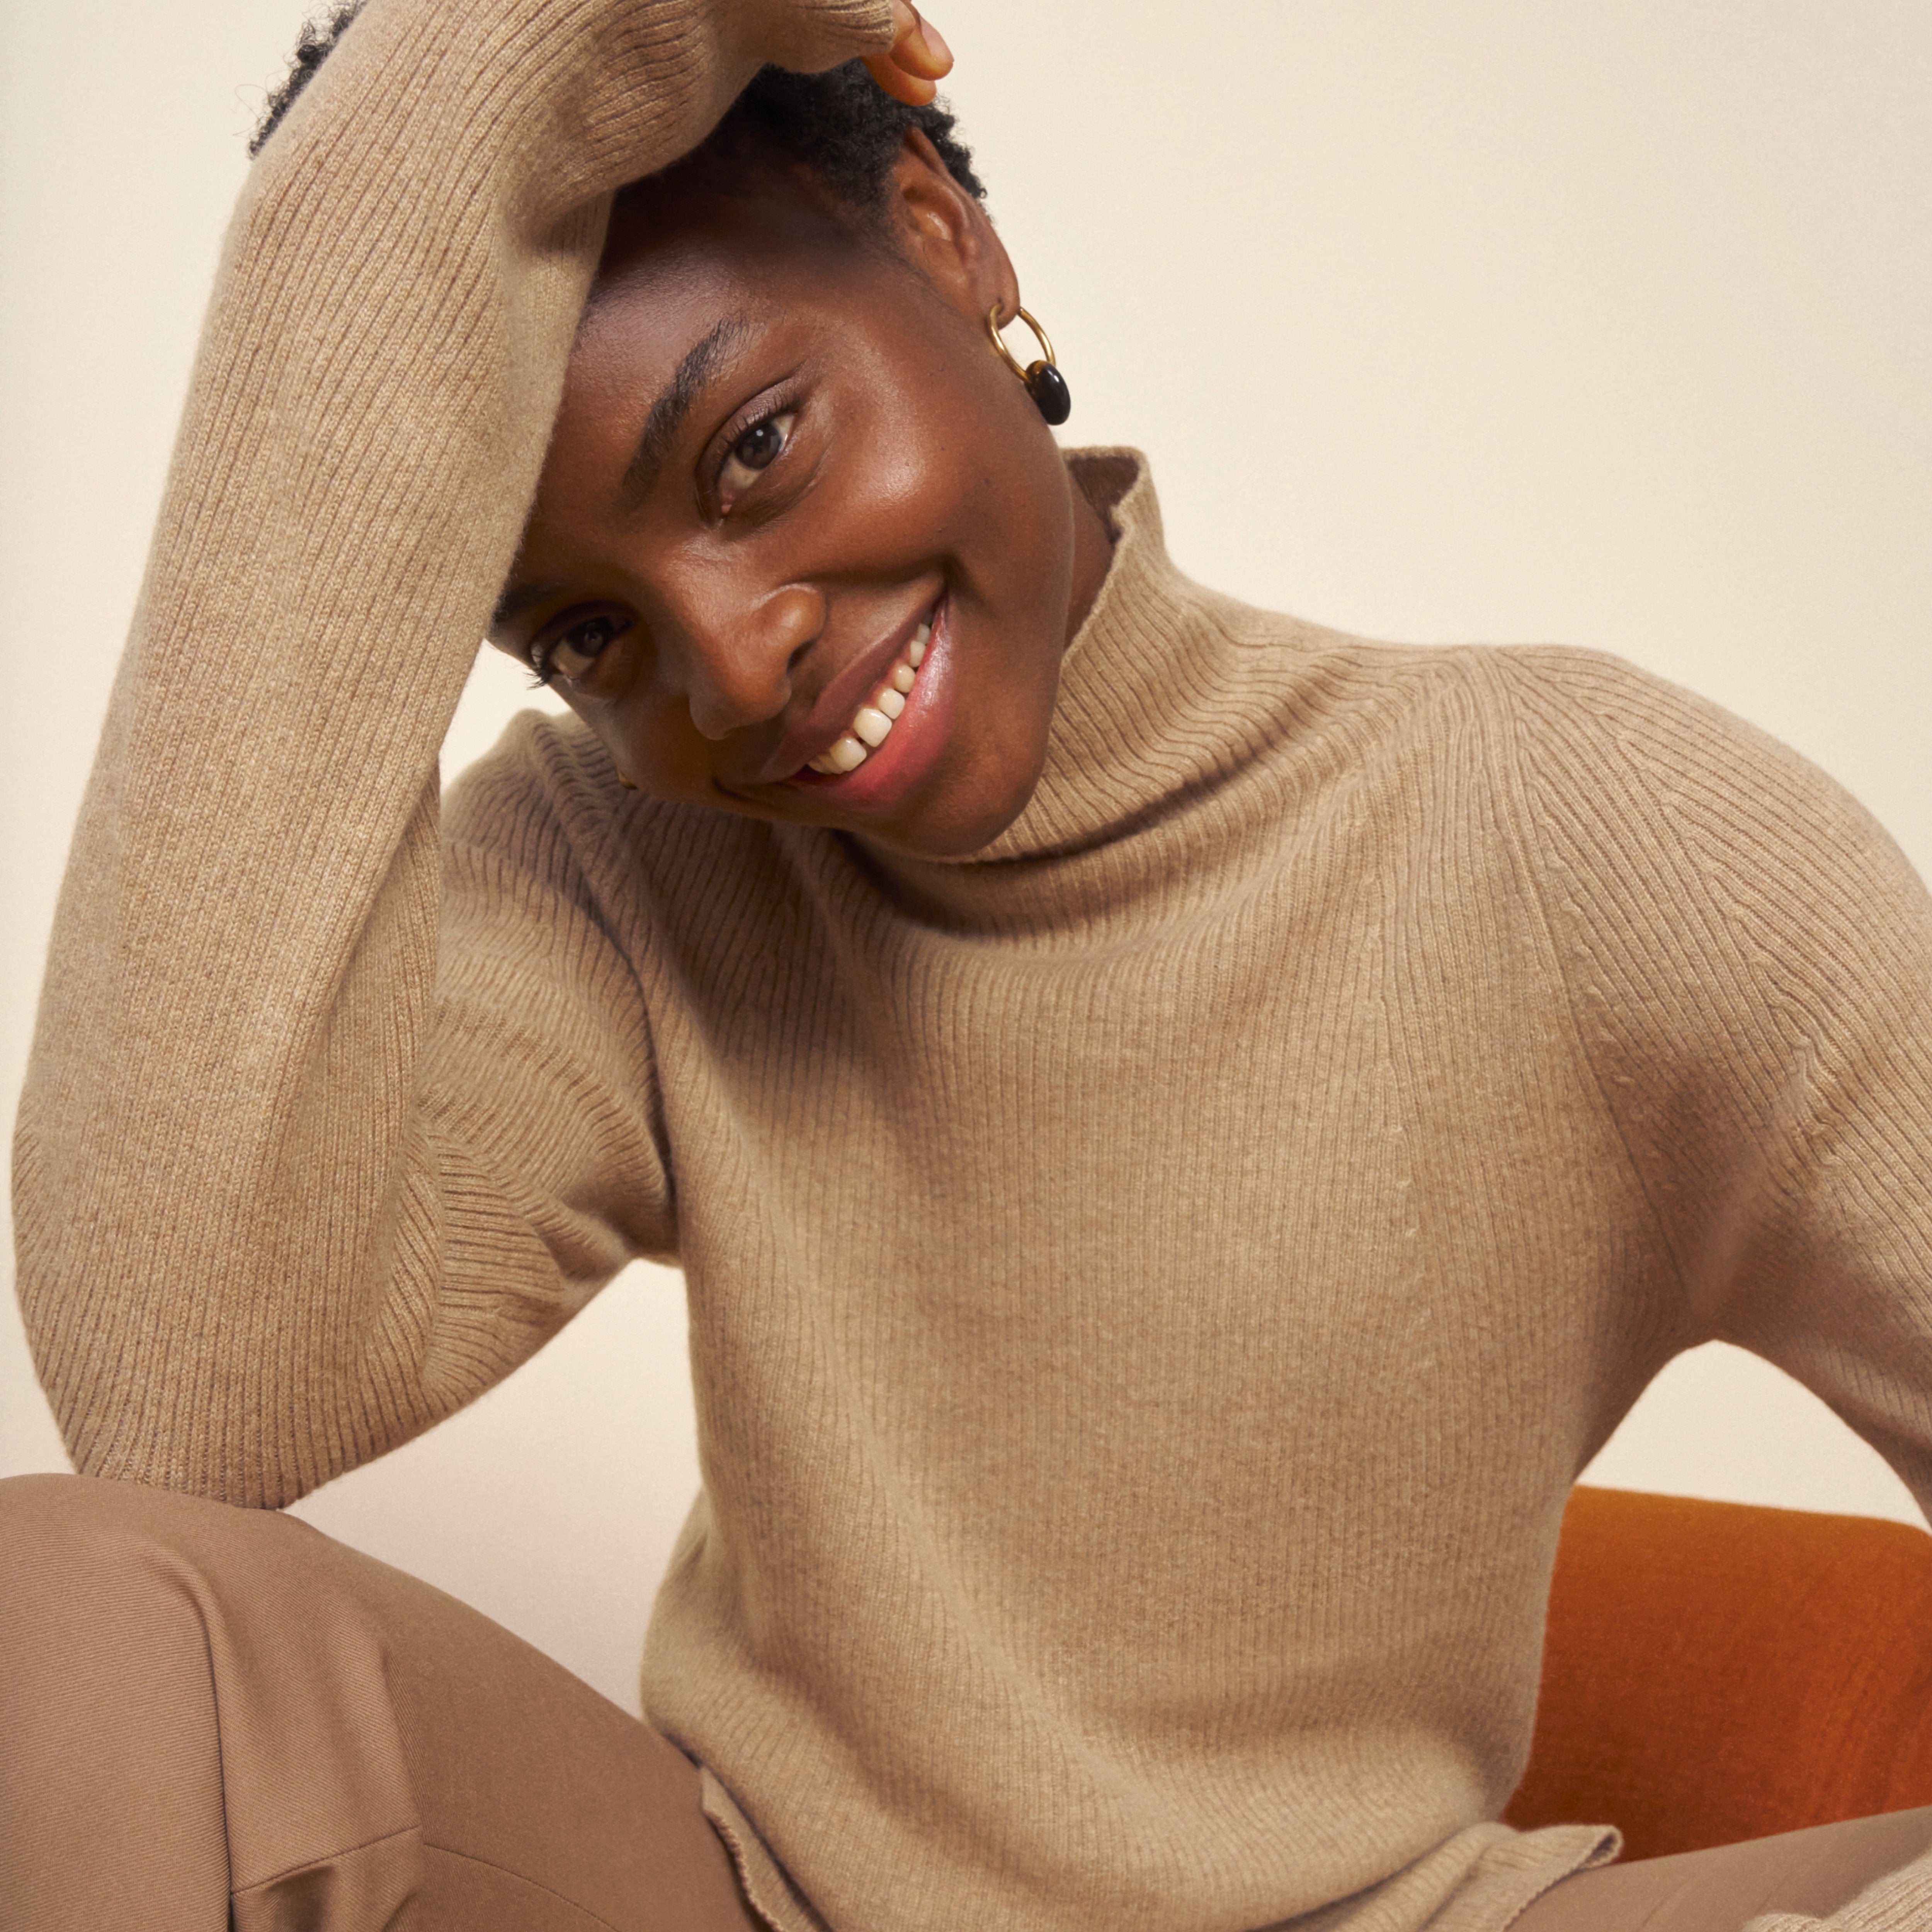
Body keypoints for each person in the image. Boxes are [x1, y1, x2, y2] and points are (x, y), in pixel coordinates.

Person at [5, 0, 1931, 1927]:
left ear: (944, 241)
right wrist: (391, 151)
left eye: (755, 448)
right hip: (763, 1902)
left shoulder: (1583, 831)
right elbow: (186, 1392)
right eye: (587, 636)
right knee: (73, 1615)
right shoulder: (625, 860)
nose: (728, 664)